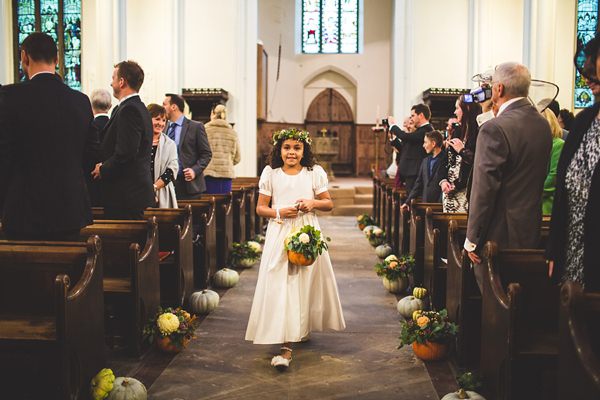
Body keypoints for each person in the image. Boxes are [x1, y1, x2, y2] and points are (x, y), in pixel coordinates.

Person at [245, 128, 345, 368]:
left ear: (304, 151)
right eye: (287, 147)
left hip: (307, 232)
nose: (291, 152)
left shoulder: (313, 173)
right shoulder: (271, 173)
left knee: (303, 282)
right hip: (280, 231)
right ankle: (285, 343)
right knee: (281, 283)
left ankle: (298, 330)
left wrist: (313, 202)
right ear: (279, 150)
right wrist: (279, 211)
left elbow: (328, 203)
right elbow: (261, 208)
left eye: (297, 148)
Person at [0, 32, 98, 240]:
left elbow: (4, 157)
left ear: (24, 57)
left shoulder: (10, 97)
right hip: (70, 211)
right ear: (57, 59)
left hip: (25, 213)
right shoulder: (81, 101)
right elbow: (91, 154)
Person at [465, 62, 552, 291]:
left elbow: (484, 190)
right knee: (521, 300)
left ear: (499, 89)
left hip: (497, 237)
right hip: (529, 231)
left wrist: (472, 239)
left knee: (495, 305)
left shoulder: (495, 128)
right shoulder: (542, 125)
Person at [546, 37, 600, 292]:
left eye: (592, 67)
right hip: (572, 253)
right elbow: (562, 191)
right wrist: (554, 248)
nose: (587, 77)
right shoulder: (583, 120)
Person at [92, 60, 154, 220]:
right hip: (128, 194)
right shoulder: (137, 107)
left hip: (126, 195)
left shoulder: (130, 110)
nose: (111, 83)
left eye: (113, 78)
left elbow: (126, 153)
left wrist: (103, 169)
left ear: (122, 81)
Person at [163, 94, 212, 199]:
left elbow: (206, 154)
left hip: (188, 184)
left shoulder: (195, 127)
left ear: (173, 107)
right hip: (167, 183)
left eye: (164, 104)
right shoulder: (164, 128)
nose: (162, 108)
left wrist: (194, 170)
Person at [440, 95, 482, 213]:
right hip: (449, 190)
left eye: (457, 108)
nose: (455, 112)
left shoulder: (480, 132)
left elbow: (478, 163)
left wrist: (462, 150)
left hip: (466, 191)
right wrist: (443, 180)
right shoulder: (458, 131)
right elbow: (446, 159)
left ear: (467, 108)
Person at [387, 104, 434, 195]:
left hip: (415, 172)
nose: (411, 119)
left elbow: (404, 136)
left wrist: (393, 125)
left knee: (412, 201)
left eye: (413, 116)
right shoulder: (419, 131)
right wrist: (393, 138)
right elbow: (404, 149)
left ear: (421, 115)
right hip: (411, 172)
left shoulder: (426, 130)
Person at [400, 130, 447, 211]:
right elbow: (418, 184)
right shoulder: (425, 161)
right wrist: (407, 202)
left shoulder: (445, 159)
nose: (423, 145)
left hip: (439, 205)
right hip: (425, 204)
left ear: (433, 144)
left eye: (425, 142)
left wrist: (440, 204)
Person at [203, 104, 241, 194]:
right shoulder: (232, 132)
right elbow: (238, 158)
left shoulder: (205, 130)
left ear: (212, 114)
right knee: (224, 204)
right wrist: (227, 162)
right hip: (226, 176)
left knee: (208, 204)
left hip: (208, 175)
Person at [147, 104, 178, 208]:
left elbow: (171, 171)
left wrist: (154, 188)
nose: (161, 123)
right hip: (140, 193)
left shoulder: (170, 144)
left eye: (163, 120)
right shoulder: (140, 142)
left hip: (163, 192)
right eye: (157, 119)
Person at [540, 108, 564, 214]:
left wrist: (534, 192)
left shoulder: (558, 144)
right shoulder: (537, 144)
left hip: (546, 201)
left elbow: (554, 175)